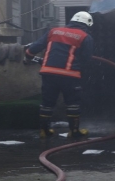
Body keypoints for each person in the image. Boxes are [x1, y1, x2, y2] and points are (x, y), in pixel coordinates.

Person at [24, 11, 95, 139]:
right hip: (70, 75)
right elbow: (86, 60)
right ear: (87, 24)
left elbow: (33, 49)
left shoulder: (53, 31)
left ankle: (44, 131)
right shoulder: (85, 37)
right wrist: (81, 71)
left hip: (48, 74)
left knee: (47, 102)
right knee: (73, 103)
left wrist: (28, 57)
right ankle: (74, 131)